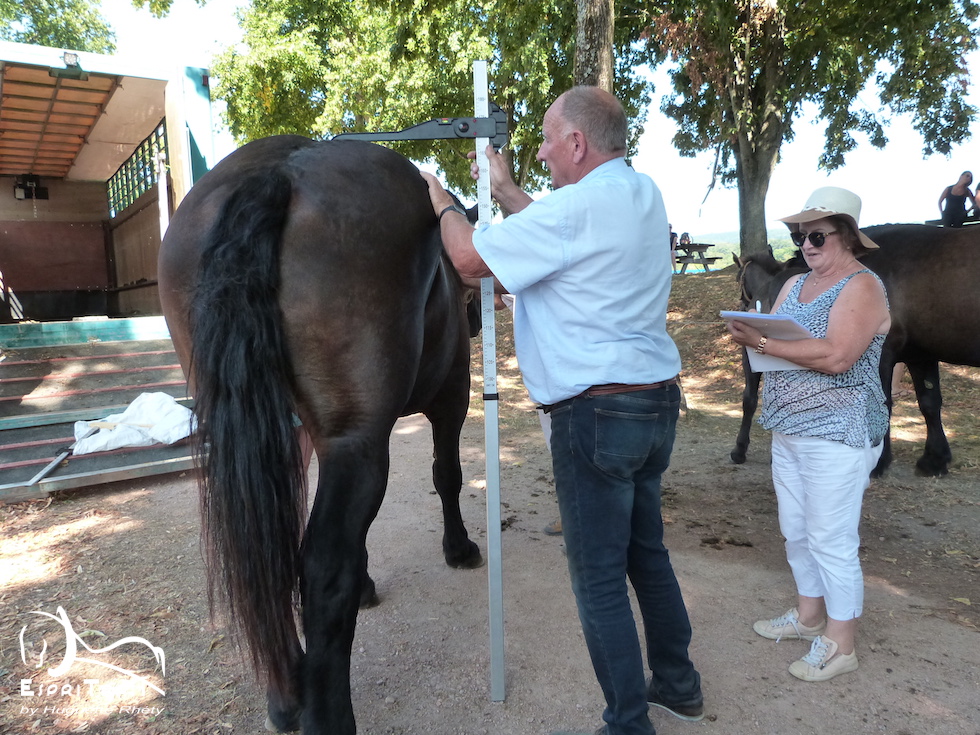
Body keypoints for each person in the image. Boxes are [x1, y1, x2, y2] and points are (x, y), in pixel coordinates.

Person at [421, 86, 703, 735]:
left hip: (595, 415)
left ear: (577, 142)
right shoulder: (642, 193)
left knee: (598, 577)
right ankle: (678, 683)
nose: (543, 153)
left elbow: (467, 259)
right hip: (652, 402)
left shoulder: (574, 208)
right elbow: (561, 234)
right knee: (646, 552)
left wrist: (443, 202)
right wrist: (506, 190)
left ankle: (628, 724)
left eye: (549, 140)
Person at [727, 186, 890, 682]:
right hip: (789, 428)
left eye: (817, 235)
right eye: (801, 236)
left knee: (830, 539)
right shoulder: (795, 284)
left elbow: (838, 356)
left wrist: (762, 340)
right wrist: (757, 336)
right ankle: (809, 616)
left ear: (848, 236)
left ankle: (841, 645)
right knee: (796, 531)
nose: (806, 244)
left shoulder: (863, 286)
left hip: (839, 431)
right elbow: (779, 343)